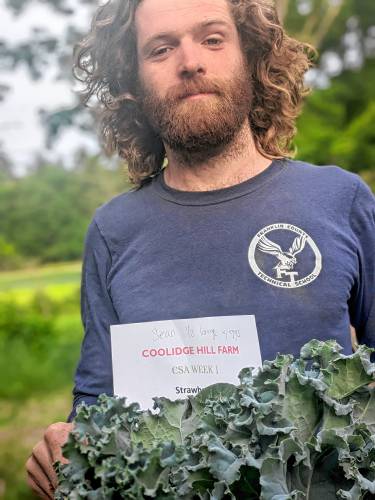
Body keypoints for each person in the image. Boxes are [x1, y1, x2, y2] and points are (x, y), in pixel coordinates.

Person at [26, 0, 375, 497]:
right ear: (133, 81)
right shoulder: (113, 230)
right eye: (161, 48)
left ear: (251, 56)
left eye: (212, 38)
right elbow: (96, 410)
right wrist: (67, 445)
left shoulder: (341, 200)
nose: (189, 61)